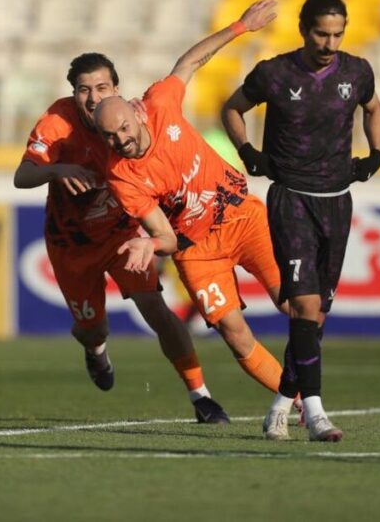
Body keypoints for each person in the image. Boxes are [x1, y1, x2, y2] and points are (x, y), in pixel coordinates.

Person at [92, 0, 294, 403]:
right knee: (234, 334)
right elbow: (165, 236)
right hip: (196, 250)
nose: (121, 140)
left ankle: (312, 396)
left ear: (137, 113)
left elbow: (190, 61)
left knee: (295, 306)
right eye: (110, 137)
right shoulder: (121, 176)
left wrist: (240, 26)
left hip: (241, 217)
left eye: (124, 129)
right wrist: (150, 244)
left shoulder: (159, 102)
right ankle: (303, 403)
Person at [14, 53, 229, 424]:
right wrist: (57, 169)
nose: (93, 97)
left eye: (101, 87)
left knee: (156, 310)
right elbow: (22, 176)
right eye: (84, 90)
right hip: (71, 245)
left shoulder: (131, 119)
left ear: (116, 89)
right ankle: (96, 349)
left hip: (121, 237)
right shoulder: (57, 123)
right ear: (73, 93)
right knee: (92, 329)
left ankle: (201, 397)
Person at [220, 0, 380, 442]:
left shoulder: (357, 72)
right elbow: (231, 108)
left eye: (337, 34)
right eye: (321, 34)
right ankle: (315, 415)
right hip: (291, 198)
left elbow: (373, 108)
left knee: (316, 318)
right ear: (303, 30)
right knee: (305, 307)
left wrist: (376, 154)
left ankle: (280, 405)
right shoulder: (274, 73)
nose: (329, 44)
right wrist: (247, 151)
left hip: (338, 200)